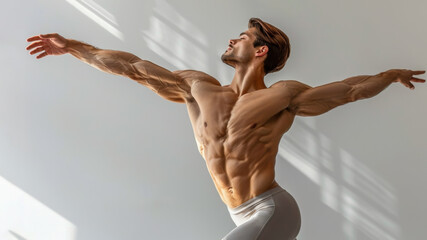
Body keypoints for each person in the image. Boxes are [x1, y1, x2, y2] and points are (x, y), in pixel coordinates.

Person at [26, 18, 425, 240]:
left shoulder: (283, 94)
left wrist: (389, 74)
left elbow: (349, 91)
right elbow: (132, 66)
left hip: (272, 209)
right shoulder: (197, 87)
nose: (232, 39)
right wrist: (75, 46)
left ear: (260, 50)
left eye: (242, 37)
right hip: (239, 214)